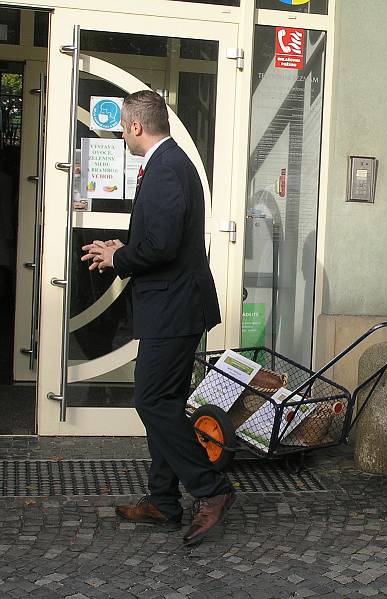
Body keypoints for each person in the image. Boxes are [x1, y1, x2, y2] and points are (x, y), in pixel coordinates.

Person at [81, 90, 234, 546]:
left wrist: (119, 258)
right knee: (165, 403)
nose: (123, 135)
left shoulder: (167, 167)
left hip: (175, 307)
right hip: (174, 306)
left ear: (134, 127)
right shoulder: (169, 163)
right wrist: (120, 249)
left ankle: (211, 489)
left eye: (123, 127)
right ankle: (163, 501)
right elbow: (160, 235)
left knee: (151, 401)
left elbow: (162, 245)